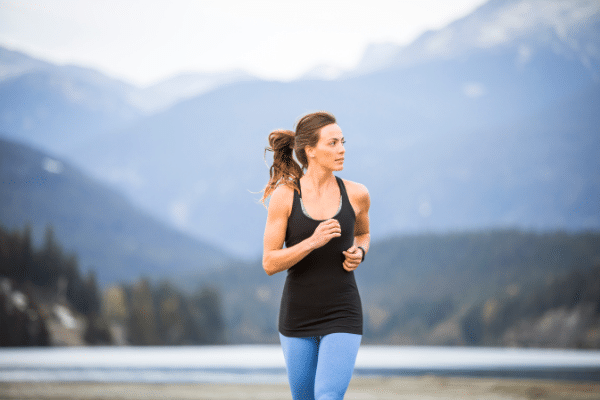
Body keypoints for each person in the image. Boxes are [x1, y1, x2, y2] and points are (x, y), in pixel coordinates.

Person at [261, 111, 370, 400]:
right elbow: (269, 262)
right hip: (298, 314)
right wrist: (312, 242)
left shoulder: (357, 194)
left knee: (328, 397)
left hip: (343, 310)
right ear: (310, 150)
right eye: (332, 143)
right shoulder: (285, 196)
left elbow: (363, 234)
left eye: (342, 142)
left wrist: (359, 251)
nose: (342, 149)